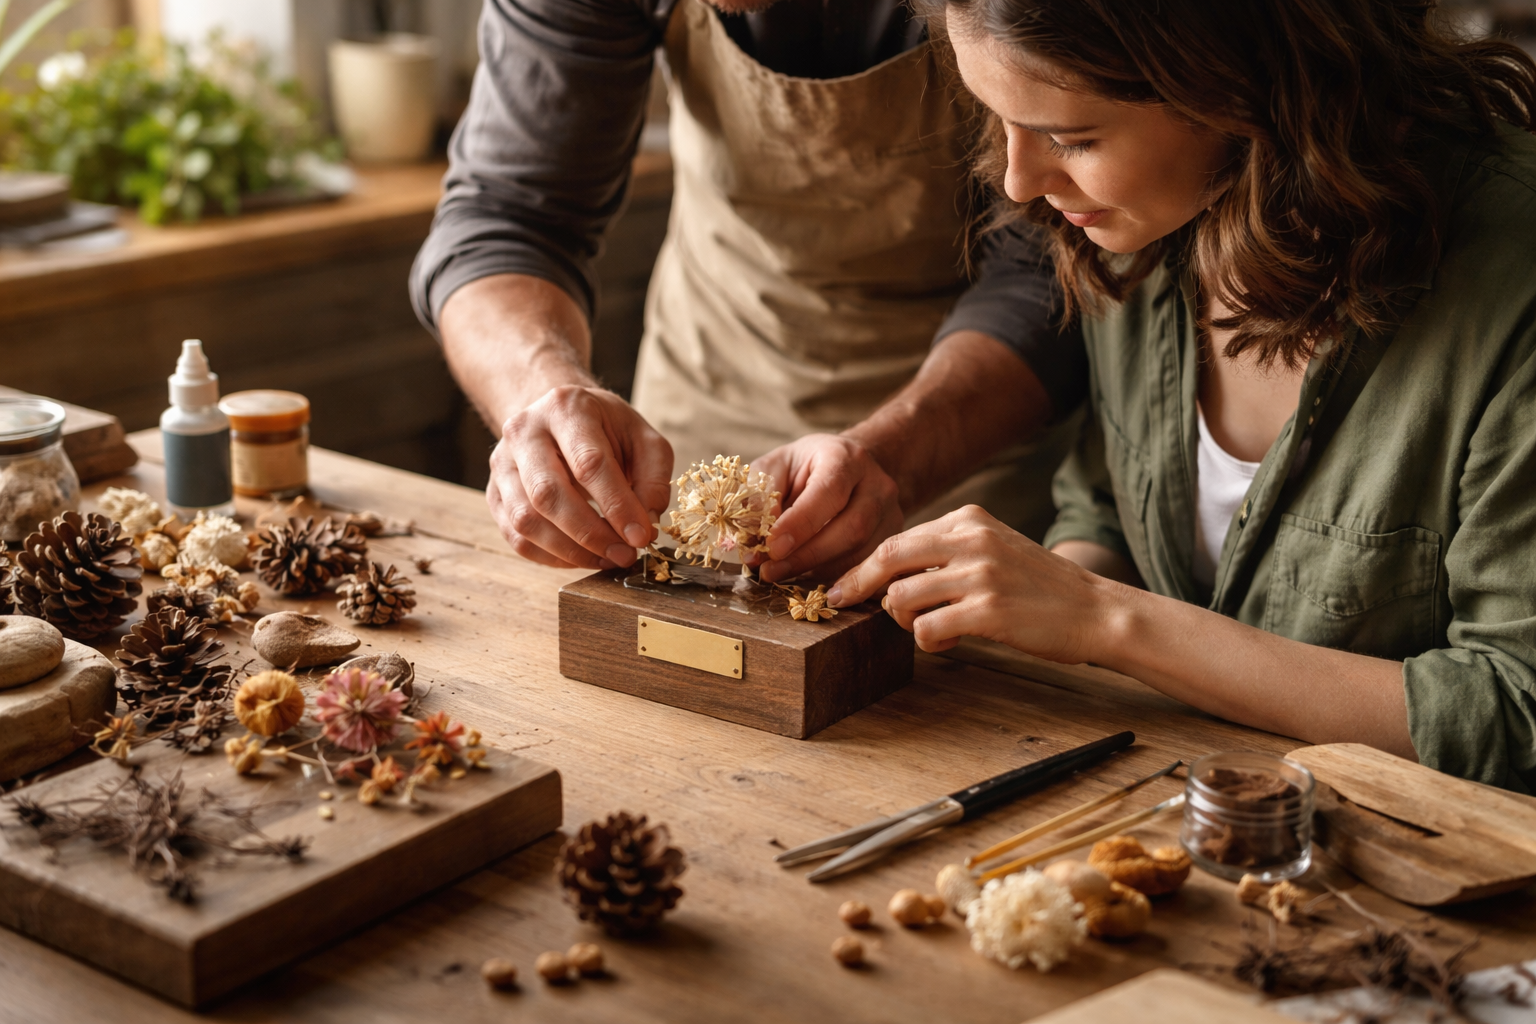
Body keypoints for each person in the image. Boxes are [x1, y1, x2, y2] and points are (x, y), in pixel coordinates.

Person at [828, 0, 1536, 792]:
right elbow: (1110, 506)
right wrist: (1033, 601)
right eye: (999, 119)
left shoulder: (1511, 293)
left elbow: (1513, 710)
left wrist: (1103, 621)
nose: (1020, 182)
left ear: (1242, 87)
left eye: (1072, 138)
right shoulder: (1149, 219)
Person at [409, 0, 1086, 585]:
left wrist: (895, 458)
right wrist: (541, 394)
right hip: (707, 395)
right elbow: (507, 214)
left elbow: (1047, 262)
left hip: (973, 440)